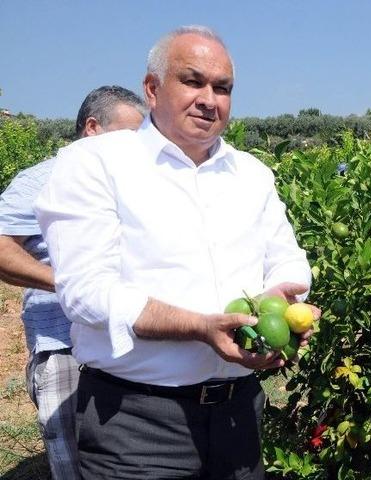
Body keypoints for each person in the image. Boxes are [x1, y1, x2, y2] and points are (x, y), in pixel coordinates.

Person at [34, 26, 316, 479]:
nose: (210, 99)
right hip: (136, 423)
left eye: (222, 88)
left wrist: (284, 302)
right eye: (193, 81)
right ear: (152, 88)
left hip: (238, 415)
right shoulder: (96, 164)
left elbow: (286, 259)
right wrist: (199, 327)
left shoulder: (252, 174)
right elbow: (87, 291)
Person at [0, 85, 146, 479]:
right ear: (93, 129)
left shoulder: (133, 184)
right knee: (72, 460)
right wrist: (69, 284)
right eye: (130, 136)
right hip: (63, 343)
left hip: (124, 342)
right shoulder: (43, 180)